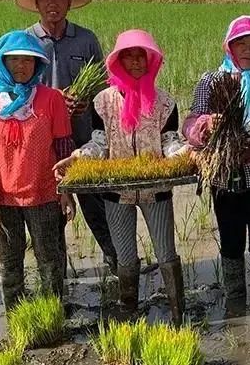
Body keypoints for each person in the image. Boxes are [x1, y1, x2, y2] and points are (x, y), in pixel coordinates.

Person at [54, 30, 187, 323]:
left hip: (156, 190)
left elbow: (170, 143)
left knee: (166, 252)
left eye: (142, 57)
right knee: (125, 256)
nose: (136, 62)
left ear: (151, 61)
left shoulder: (165, 102)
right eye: (129, 57)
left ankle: (179, 313)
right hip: (116, 194)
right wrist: (77, 157)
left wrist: (188, 155)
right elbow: (99, 144)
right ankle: (129, 311)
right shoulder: (102, 102)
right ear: (118, 62)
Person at [183, 16, 250, 319]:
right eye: (242, 44)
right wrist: (206, 125)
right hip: (224, 177)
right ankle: (236, 308)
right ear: (229, 46)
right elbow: (190, 124)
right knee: (231, 241)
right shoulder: (211, 81)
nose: (248, 50)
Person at [18, 0, 118, 275]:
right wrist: (54, 100)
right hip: (43, 144)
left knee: (99, 207)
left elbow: (104, 86)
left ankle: (118, 265)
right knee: (51, 215)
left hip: (85, 140)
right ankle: (56, 278)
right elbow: (15, 91)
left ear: (70, 2)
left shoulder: (86, 40)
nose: (53, 3)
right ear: (36, 3)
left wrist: (86, 99)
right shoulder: (25, 42)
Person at [0, 31, 76, 307]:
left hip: (43, 193)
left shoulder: (51, 99)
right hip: (1, 195)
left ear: (38, 64)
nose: (21, 66)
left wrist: (66, 191)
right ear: (2, 62)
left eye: (28, 60)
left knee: (50, 259)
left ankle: (53, 312)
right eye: (14, 59)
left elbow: (63, 146)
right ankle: (15, 315)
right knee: (9, 261)